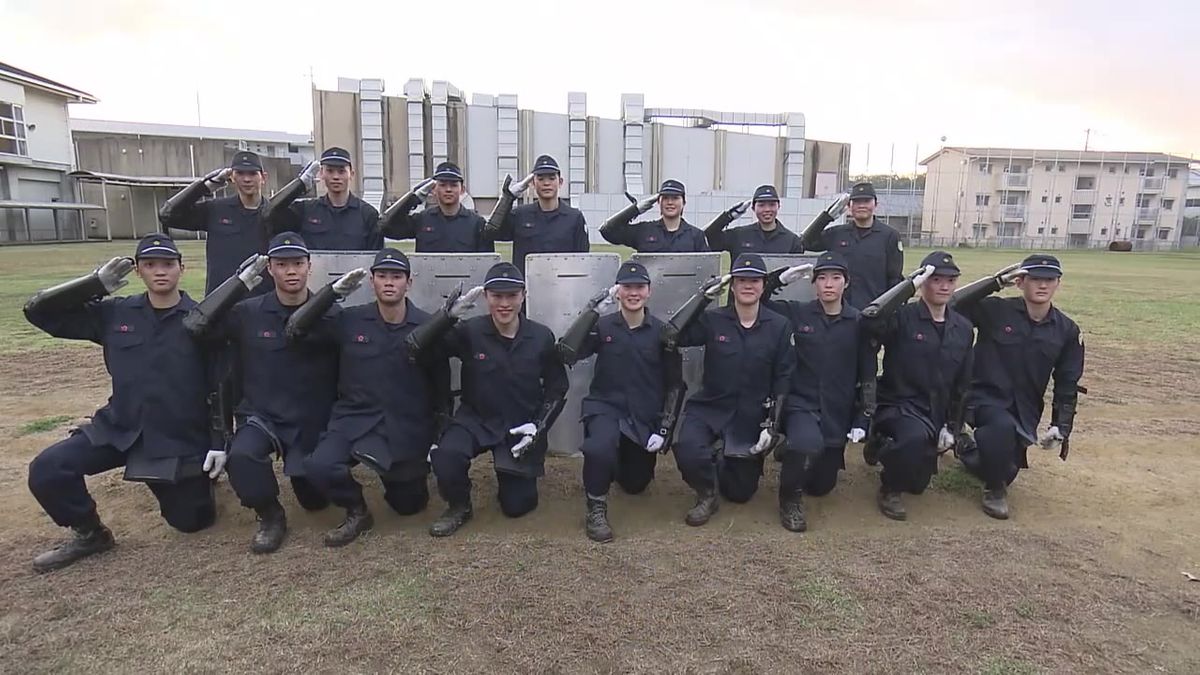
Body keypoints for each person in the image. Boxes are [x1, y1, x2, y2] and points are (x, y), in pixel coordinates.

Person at [24, 234, 221, 572]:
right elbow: (40, 313)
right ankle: (90, 533)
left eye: (168, 264)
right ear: (139, 271)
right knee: (47, 469)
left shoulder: (201, 320)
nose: (160, 272)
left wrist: (218, 443)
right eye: (150, 265)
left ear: (181, 269)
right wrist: (93, 284)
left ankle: (193, 481)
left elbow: (221, 387)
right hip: (119, 429)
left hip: (175, 440)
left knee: (191, 522)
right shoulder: (114, 313)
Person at [184, 232, 340, 553]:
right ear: (270, 269)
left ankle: (305, 479)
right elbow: (196, 326)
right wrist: (238, 283)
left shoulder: (330, 314)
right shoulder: (247, 313)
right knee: (242, 457)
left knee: (315, 501)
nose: (291, 271)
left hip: (310, 417)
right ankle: (269, 514)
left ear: (310, 266)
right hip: (262, 414)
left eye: (298, 263)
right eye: (282, 264)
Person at [284, 249, 451, 546]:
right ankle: (356, 509)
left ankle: (402, 479)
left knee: (409, 505)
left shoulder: (428, 326)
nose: (389, 282)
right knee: (319, 465)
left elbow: (441, 385)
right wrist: (329, 295)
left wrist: (437, 436)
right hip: (354, 419)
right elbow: (296, 329)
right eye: (382, 276)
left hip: (403, 425)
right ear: (372, 281)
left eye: (396, 276)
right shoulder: (348, 320)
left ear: (408, 283)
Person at [405, 262, 569, 536]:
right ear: (486, 297)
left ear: (523, 295)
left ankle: (512, 478)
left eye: (511, 296)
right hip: (476, 419)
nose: (504, 304)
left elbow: (557, 387)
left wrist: (538, 426)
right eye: (496, 296)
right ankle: (459, 506)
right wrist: (445, 318)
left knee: (517, 506)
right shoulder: (469, 331)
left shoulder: (541, 336)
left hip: (519, 424)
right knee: (446, 457)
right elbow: (417, 349)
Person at [556, 261, 685, 542]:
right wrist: (589, 313)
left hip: (643, 414)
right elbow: (567, 352)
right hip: (605, 406)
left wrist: (665, 427)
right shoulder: (602, 327)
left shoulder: (663, 332)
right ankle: (596, 506)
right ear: (618, 292)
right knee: (599, 447)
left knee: (635, 484)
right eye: (627, 287)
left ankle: (615, 465)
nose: (633, 293)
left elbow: (676, 383)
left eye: (639, 287)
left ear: (649, 291)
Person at [665, 253, 796, 527]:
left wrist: (772, 425)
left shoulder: (780, 325)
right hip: (711, 405)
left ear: (763, 285)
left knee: (740, 493)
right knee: (687, 447)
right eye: (741, 280)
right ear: (732, 286)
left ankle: (724, 458)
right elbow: (672, 335)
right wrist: (701, 298)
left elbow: (784, 376)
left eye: (754, 280)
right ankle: (706, 494)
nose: (748, 285)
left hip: (751, 412)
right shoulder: (714, 320)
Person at [950, 254, 1085, 519]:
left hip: (1025, 409)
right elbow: (954, 306)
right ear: (1020, 282)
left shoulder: (1066, 330)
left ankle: (966, 449)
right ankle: (994, 490)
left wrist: (1061, 425)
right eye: (1035, 279)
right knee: (999, 433)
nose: (1042, 285)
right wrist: (994, 283)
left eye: (1049, 280)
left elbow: (1067, 382)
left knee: (1007, 468)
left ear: (1058, 284)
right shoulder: (997, 310)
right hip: (982, 398)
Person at [761, 251, 875, 530]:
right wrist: (777, 280)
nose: (828, 284)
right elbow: (756, 302)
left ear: (846, 283)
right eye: (822, 278)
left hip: (838, 409)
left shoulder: (859, 322)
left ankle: (791, 450)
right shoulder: (798, 313)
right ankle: (789, 499)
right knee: (806, 443)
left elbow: (868, 373)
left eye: (835, 278)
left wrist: (863, 418)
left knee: (822, 485)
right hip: (802, 403)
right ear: (814, 284)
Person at [860, 251, 974, 521]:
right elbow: (869, 321)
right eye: (936, 279)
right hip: (898, 403)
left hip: (935, 410)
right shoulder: (902, 317)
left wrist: (953, 426)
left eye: (950, 280)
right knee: (913, 440)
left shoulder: (963, 328)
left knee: (918, 485)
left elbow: (963, 382)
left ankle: (883, 445)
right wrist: (906, 287)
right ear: (924, 282)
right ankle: (889, 487)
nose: (944, 286)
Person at [158, 150, 270, 295]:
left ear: (263, 177)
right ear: (232, 177)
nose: (247, 179)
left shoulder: (276, 212)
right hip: (220, 302)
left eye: (252, 173)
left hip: (263, 301)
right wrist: (206, 186)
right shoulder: (216, 209)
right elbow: (168, 215)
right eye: (240, 173)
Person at [800, 182, 904, 310]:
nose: (861, 206)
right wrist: (826, 217)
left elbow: (894, 279)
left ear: (876, 205)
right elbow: (805, 243)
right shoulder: (836, 233)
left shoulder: (889, 236)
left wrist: (889, 309)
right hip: (839, 311)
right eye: (856, 202)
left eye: (866, 201)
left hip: (873, 310)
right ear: (849, 206)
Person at [483, 154, 589, 273]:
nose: (546, 183)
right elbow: (490, 233)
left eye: (552, 178)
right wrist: (508, 198)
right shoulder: (520, 215)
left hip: (562, 286)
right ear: (532, 183)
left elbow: (582, 259)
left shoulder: (574, 218)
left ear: (560, 182)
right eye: (541, 178)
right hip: (527, 287)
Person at [262, 147, 383, 250]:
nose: (336, 177)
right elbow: (269, 212)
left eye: (341, 171)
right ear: (321, 173)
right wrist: (299, 185)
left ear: (351, 174)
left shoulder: (368, 214)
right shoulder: (306, 210)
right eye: (330, 171)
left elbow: (374, 257)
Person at [379, 161, 493, 252]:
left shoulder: (476, 223)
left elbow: (486, 262)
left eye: (453, 185)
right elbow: (386, 228)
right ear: (433, 189)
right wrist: (413, 199)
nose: (448, 190)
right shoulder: (422, 220)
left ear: (462, 190)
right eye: (442, 185)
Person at [598, 179, 708, 252]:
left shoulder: (696, 236)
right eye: (665, 198)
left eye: (675, 198)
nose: (670, 202)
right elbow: (607, 231)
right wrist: (636, 209)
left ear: (683, 203)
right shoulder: (644, 231)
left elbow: (707, 268)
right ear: (658, 202)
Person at [704, 184, 805, 259]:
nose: (767, 209)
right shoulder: (739, 235)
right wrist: (729, 216)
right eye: (761, 205)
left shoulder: (791, 240)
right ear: (753, 208)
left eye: (772, 204)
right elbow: (709, 236)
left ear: (779, 206)